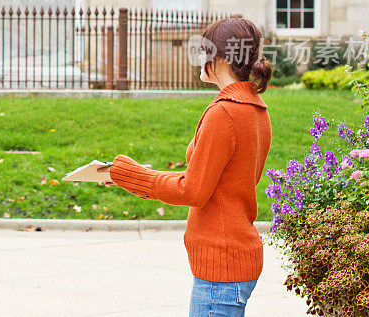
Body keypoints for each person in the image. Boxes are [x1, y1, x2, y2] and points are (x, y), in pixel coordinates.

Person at [102, 16, 272, 316]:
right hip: (234, 258)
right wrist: (132, 178)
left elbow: (193, 191)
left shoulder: (225, 113)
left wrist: (132, 175)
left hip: (222, 266)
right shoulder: (256, 109)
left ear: (221, 58)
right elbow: (209, 181)